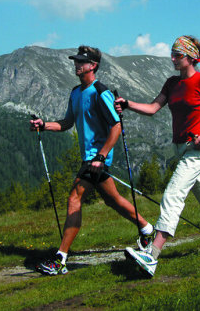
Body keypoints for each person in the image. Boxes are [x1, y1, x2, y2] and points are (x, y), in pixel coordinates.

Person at [119, 35, 200, 277]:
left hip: (197, 149)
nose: (173, 59)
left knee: (173, 193)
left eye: (178, 55)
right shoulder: (171, 83)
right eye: (173, 54)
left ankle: (152, 254)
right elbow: (154, 108)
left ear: (191, 57)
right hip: (180, 148)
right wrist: (127, 104)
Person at [29, 45, 154, 276]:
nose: (76, 65)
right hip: (91, 159)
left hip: (96, 158)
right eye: (75, 61)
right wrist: (44, 125)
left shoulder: (100, 92)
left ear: (93, 66)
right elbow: (67, 123)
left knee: (74, 197)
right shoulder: (76, 92)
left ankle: (61, 259)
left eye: (81, 62)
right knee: (113, 200)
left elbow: (115, 126)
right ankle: (147, 229)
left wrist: (101, 155)